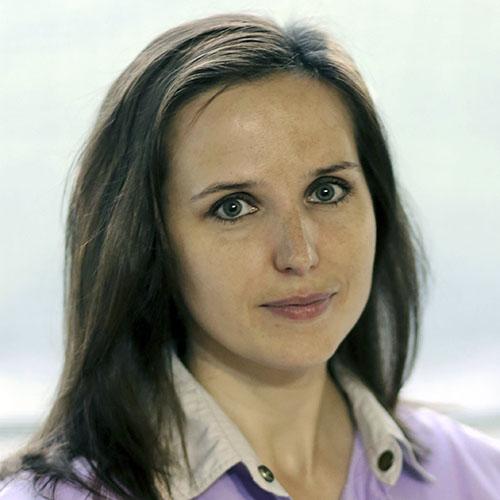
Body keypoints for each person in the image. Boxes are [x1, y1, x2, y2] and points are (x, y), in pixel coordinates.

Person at [1, 12, 499, 500]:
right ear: (148, 243)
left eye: (326, 191)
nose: (299, 255)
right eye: (234, 207)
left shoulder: (479, 475)